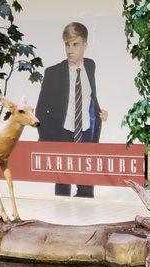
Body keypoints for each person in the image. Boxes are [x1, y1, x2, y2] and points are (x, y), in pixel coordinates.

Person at [36, 22, 108, 197]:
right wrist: (49, 141)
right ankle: (62, 221)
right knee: (63, 188)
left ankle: (86, 221)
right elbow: (40, 110)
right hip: (63, 134)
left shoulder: (90, 66)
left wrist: (99, 112)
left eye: (75, 44)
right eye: (67, 44)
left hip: (87, 133)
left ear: (85, 45)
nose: (70, 49)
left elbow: (89, 95)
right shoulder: (53, 73)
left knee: (87, 187)